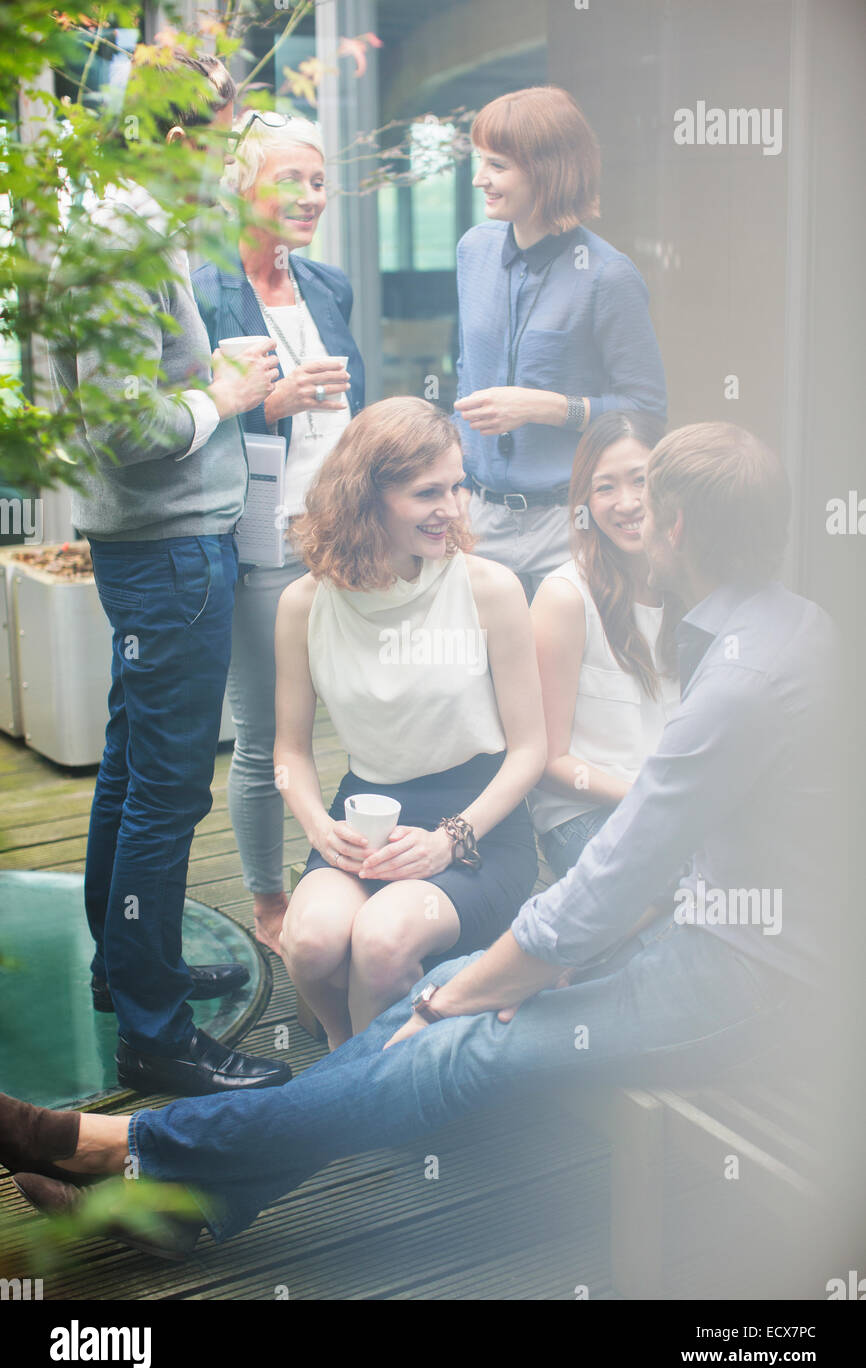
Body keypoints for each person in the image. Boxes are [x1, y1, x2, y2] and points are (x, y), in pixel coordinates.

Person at [0, 423, 837, 1262]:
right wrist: (502, 968)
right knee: (441, 993)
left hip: (747, 985)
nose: (631, 522)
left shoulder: (740, 679)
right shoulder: (781, 629)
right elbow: (679, 859)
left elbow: (626, 864)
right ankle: (190, 1196)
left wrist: (493, 974)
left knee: (454, 1031)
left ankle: (120, 1146)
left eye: (649, 506)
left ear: (680, 527)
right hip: (692, 931)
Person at [47, 50, 293, 1097]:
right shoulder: (123, 236)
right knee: (164, 791)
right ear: (187, 137)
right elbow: (125, 426)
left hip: (150, 549)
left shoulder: (112, 222)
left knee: (131, 760)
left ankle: (124, 965)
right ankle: (156, 1030)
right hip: (169, 550)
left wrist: (207, 383)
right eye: (233, 137)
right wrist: (225, 398)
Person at [273, 396, 544, 1046]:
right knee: (308, 943)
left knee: (382, 942)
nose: (452, 508)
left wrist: (451, 838)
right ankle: (349, 1054)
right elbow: (289, 753)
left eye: (459, 486)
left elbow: (531, 750)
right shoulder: (303, 604)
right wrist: (320, 828)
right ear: (367, 499)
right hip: (364, 818)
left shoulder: (490, 588)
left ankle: (359, 1097)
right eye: (429, 493)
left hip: (479, 823)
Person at [192, 111, 365, 957]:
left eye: (320, 180)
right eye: (290, 179)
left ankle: (348, 865)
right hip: (260, 545)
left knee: (357, 711)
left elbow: (357, 409)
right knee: (265, 733)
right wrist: (270, 404)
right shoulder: (201, 288)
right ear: (241, 187)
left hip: (344, 539)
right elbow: (185, 432)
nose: (311, 196)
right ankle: (268, 904)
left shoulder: (329, 287)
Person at [453, 86, 667, 600]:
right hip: (476, 521)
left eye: (497, 165)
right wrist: (453, 488)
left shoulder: (609, 275)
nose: (480, 178)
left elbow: (647, 412)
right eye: (482, 162)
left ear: (547, 171)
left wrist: (547, 407)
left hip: (566, 527)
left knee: (563, 680)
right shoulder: (472, 251)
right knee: (479, 678)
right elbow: (465, 374)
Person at [530, 411, 680, 879]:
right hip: (585, 816)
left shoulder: (690, 588)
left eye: (641, 480)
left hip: (673, 805)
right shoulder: (565, 597)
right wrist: (648, 795)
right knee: (671, 887)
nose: (628, 503)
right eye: (605, 487)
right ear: (585, 503)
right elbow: (547, 760)